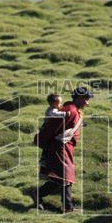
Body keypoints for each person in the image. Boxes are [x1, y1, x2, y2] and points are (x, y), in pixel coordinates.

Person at [32, 85, 91, 213]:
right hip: (60, 147)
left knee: (61, 178)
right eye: (85, 99)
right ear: (78, 98)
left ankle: (38, 194)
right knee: (66, 176)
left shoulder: (73, 110)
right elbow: (53, 127)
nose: (87, 102)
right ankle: (67, 207)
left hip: (64, 147)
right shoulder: (71, 110)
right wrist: (41, 140)